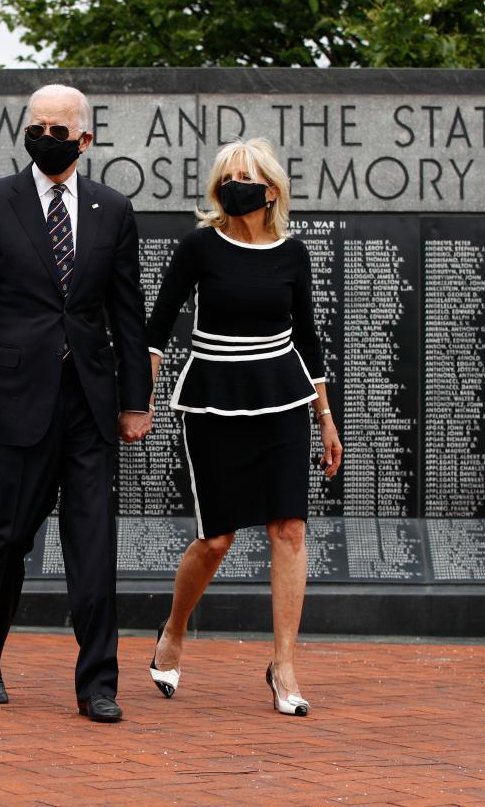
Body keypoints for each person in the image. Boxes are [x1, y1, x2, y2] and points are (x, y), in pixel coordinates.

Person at [0, 84, 153, 723]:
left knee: (93, 544)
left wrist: (136, 400)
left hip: (89, 404)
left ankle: (98, 684)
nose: (48, 138)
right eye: (38, 127)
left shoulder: (113, 210)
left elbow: (127, 311)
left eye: (60, 130)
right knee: (9, 539)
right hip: (15, 403)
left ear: (85, 140)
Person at [144, 138, 343, 716]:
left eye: (244, 176)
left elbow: (307, 338)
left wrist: (325, 417)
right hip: (213, 399)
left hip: (283, 397)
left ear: (270, 189)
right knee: (218, 538)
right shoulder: (199, 246)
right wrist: (142, 395)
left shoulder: (293, 253)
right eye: (225, 176)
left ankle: (283, 665)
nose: (233, 185)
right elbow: (157, 328)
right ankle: (175, 631)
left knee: (289, 530)